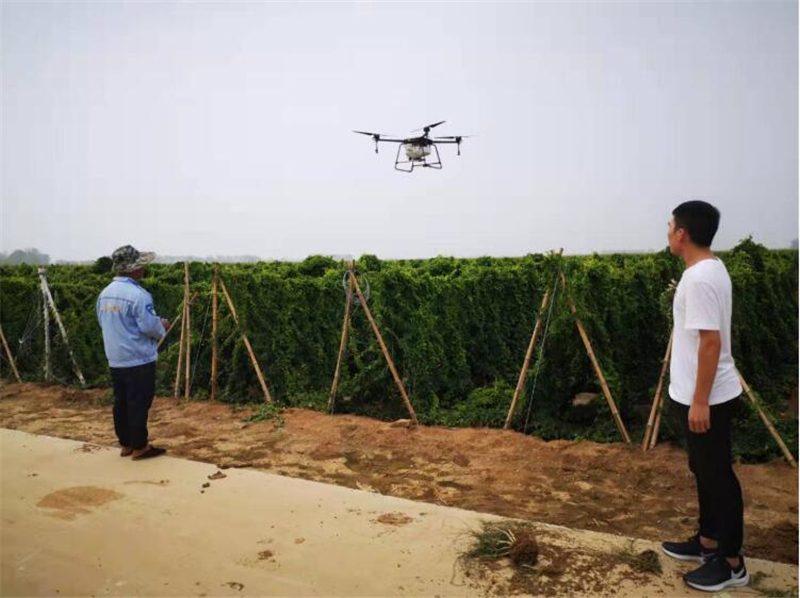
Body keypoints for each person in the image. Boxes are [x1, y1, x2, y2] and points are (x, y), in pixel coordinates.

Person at [661, 201, 747, 592]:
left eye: (670, 226)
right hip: (698, 394)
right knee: (704, 470)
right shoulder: (709, 269)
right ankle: (708, 541)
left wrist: (699, 401)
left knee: (717, 476)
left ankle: (731, 563)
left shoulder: (699, 279)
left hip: (707, 398)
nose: (668, 232)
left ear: (682, 233)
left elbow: (710, 343)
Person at [97, 245, 168, 460]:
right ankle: (140, 446)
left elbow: (103, 322)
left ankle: (126, 443)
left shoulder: (105, 294)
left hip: (115, 358)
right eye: (141, 266)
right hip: (138, 359)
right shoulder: (138, 295)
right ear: (134, 269)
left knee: (121, 402)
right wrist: (162, 325)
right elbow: (149, 327)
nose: (144, 269)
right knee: (139, 402)